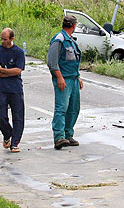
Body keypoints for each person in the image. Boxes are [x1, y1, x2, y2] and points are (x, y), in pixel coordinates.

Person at [47, 14, 83, 150]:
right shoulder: (59, 40)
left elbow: (73, 61)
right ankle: (59, 137)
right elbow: (52, 62)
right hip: (64, 79)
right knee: (61, 108)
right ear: (73, 26)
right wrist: (59, 77)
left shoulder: (70, 40)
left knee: (73, 109)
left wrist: (78, 76)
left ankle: (68, 134)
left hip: (73, 78)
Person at [0, 28, 25, 153]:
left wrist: (2, 71)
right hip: (0, 88)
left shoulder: (19, 52)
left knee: (18, 116)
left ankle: (14, 143)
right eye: (2, 39)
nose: (2, 41)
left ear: (12, 39)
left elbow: (18, 71)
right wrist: (7, 73)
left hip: (15, 88)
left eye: (5, 39)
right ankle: (7, 133)